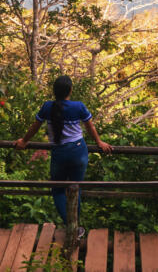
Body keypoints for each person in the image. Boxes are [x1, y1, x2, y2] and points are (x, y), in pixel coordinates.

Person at [14, 75, 112, 230]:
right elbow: (90, 127)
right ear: (70, 90)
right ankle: (76, 226)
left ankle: (71, 226)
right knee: (75, 188)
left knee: (58, 190)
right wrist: (99, 142)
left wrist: (24, 141)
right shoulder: (78, 106)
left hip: (59, 153)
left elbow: (35, 127)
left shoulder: (47, 107)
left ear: (54, 91)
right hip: (79, 151)